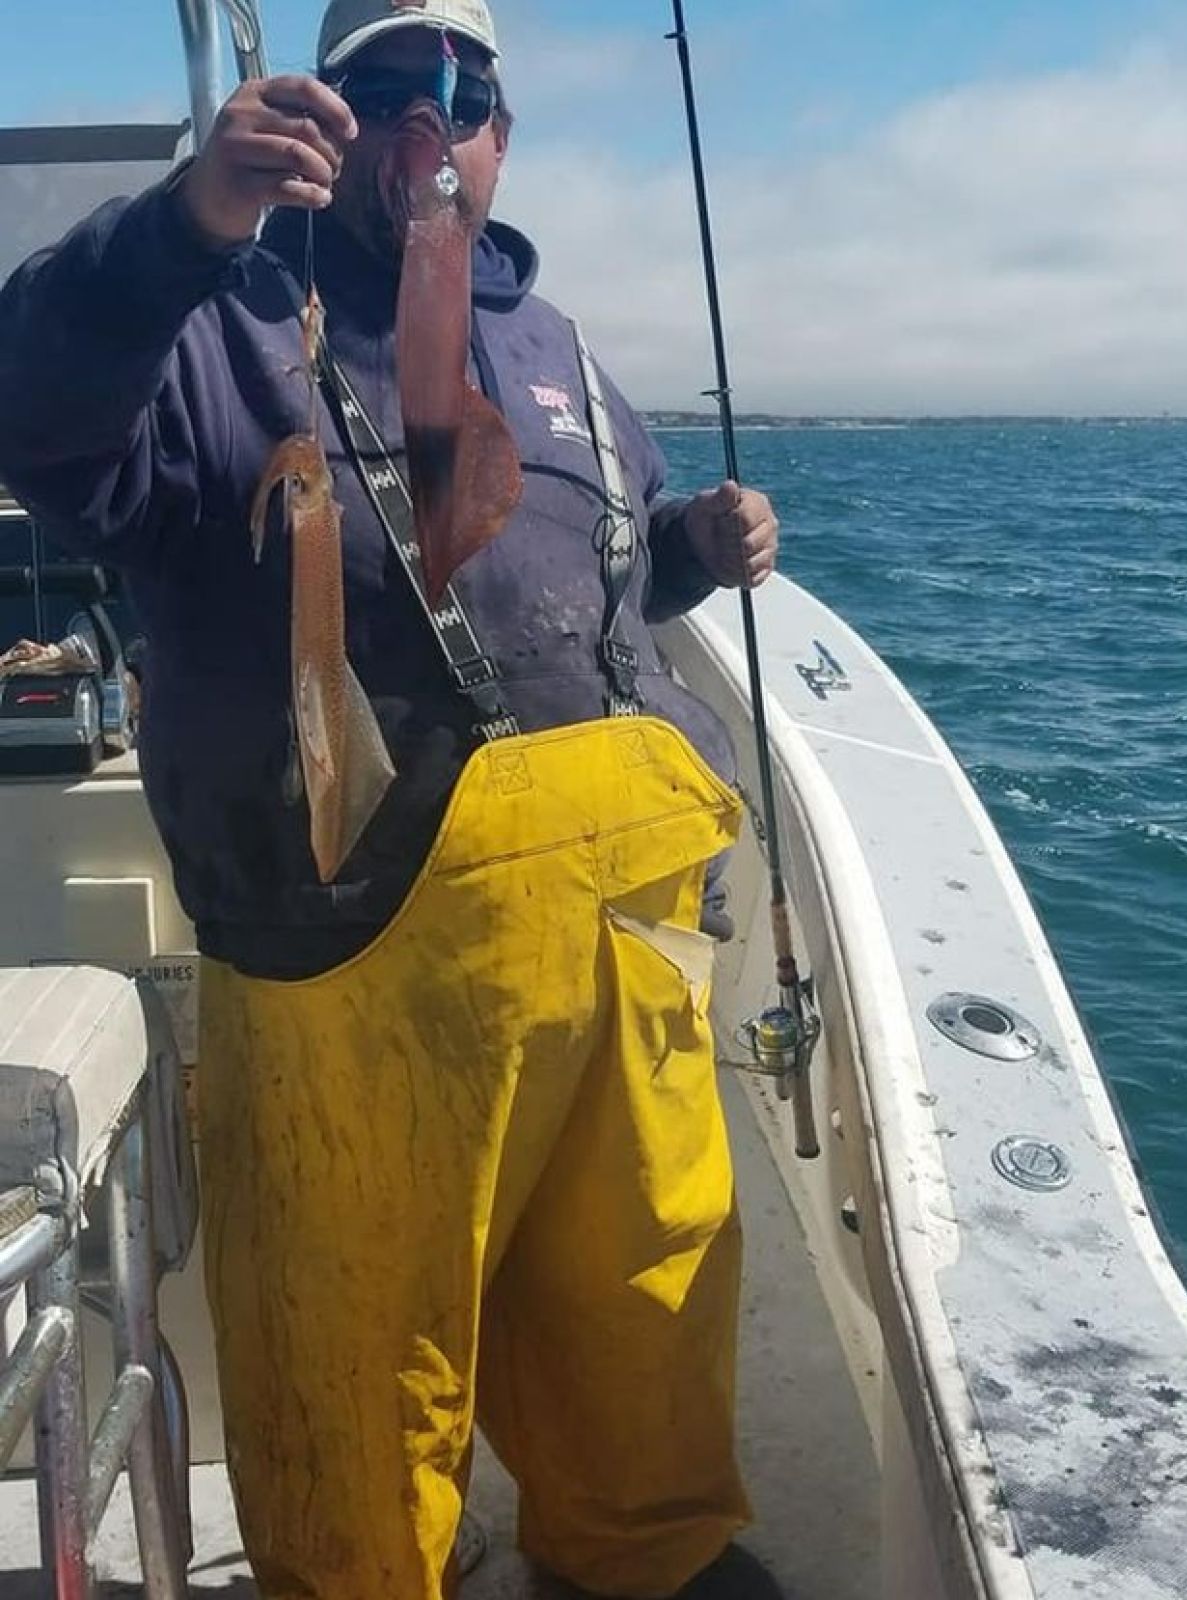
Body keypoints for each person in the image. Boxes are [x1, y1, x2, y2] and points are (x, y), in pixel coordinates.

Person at [0, 2, 784, 1596]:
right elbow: (35, 408)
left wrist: (699, 540)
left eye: (468, 88)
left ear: (503, 134)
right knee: (354, 1369)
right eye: (386, 84)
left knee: (643, 1303)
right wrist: (184, 226)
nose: (433, 113)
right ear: (326, 116)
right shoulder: (217, 325)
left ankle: (645, 1556)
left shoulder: (559, 348)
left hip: (620, 960)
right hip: (347, 960)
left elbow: (599, 576)